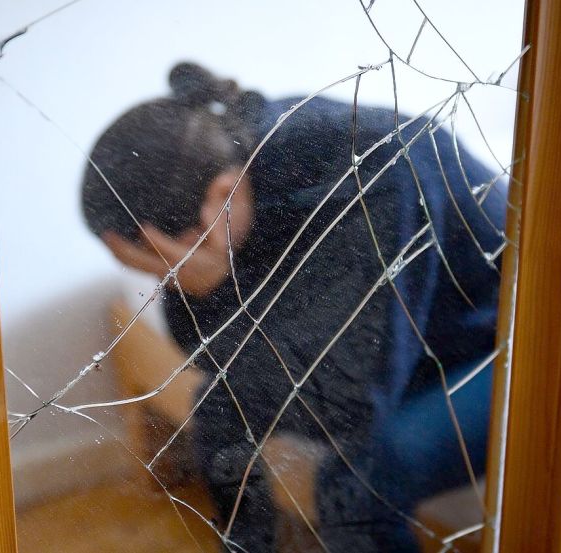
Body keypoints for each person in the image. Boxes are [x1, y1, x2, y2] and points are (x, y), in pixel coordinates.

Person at [81, 62, 505, 552]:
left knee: (357, 483)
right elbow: (213, 365)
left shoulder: (368, 170)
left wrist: (216, 290)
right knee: (219, 410)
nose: (163, 282)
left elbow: (350, 402)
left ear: (221, 195)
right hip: (409, 335)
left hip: (497, 333)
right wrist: (205, 286)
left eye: (161, 268)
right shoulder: (225, 165)